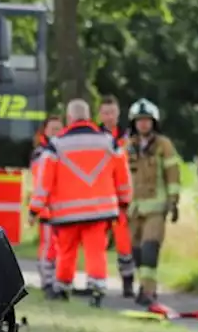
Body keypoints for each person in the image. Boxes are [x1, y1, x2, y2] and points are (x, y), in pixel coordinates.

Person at [28, 99, 132, 307]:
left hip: (67, 213)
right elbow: (123, 177)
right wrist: (124, 201)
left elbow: (44, 183)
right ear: (89, 115)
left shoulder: (56, 146)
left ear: (69, 118)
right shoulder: (108, 142)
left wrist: (34, 209)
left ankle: (63, 288)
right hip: (99, 211)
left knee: (66, 251)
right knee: (96, 251)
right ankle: (97, 291)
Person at [124, 98, 181, 307]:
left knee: (150, 248)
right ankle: (144, 285)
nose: (143, 124)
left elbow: (173, 174)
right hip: (134, 209)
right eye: (139, 121)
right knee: (136, 252)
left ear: (154, 122)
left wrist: (173, 201)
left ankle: (149, 291)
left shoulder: (163, 145)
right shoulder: (128, 147)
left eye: (147, 120)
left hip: (156, 208)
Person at [98, 95, 135, 297]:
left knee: (124, 242)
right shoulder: (94, 136)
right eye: (105, 112)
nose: (109, 116)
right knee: (97, 242)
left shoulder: (128, 137)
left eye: (112, 112)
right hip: (100, 196)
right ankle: (98, 283)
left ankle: (128, 281)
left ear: (118, 113)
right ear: (100, 114)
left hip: (120, 197)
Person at [30, 114, 62, 292]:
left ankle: (56, 278)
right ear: (46, 131)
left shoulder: (59, 150)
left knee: (60, 246)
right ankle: (47, 279)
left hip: (62, 208)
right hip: (47, 207)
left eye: (59, 128)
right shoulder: (41, 153)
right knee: (48, 245)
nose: (57, 132)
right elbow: (40, 183)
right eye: (53, 129)